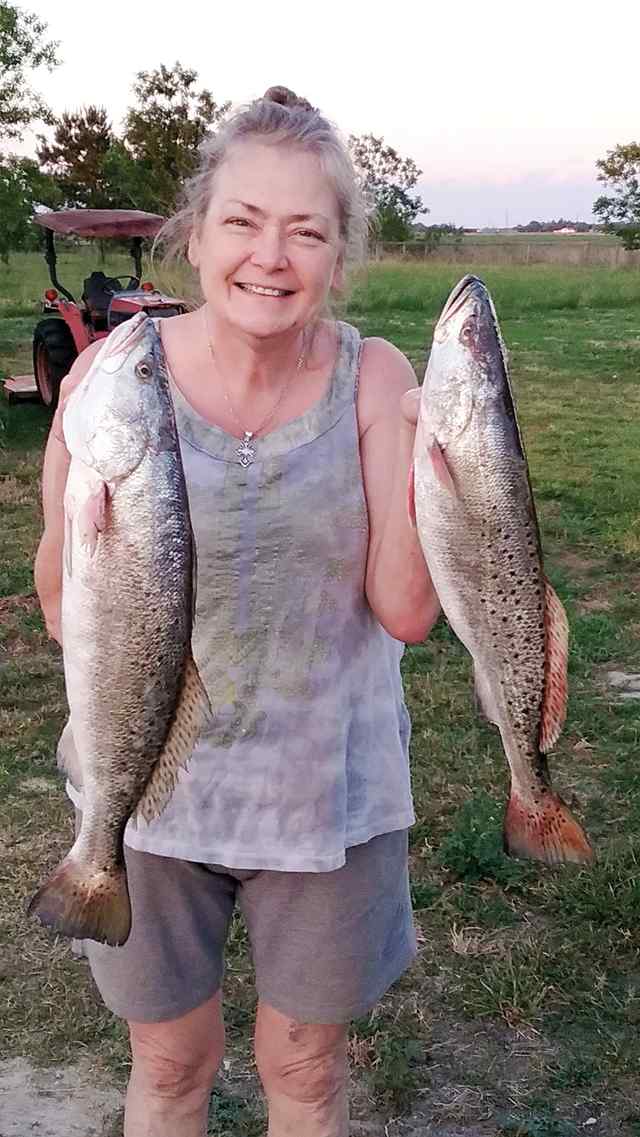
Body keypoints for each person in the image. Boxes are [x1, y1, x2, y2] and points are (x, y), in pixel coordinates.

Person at [34, 86, 440, 1137]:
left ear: (338, 253)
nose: (271, 255)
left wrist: (446, 478)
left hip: (327, 792)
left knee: (303, 1070)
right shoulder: (111, 381)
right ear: (195, 236)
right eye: (243, 223)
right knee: (170, 1067)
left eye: (306, 231)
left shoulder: (375, 378)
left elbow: (405, 613)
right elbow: (55, 604)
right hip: (149, 795)